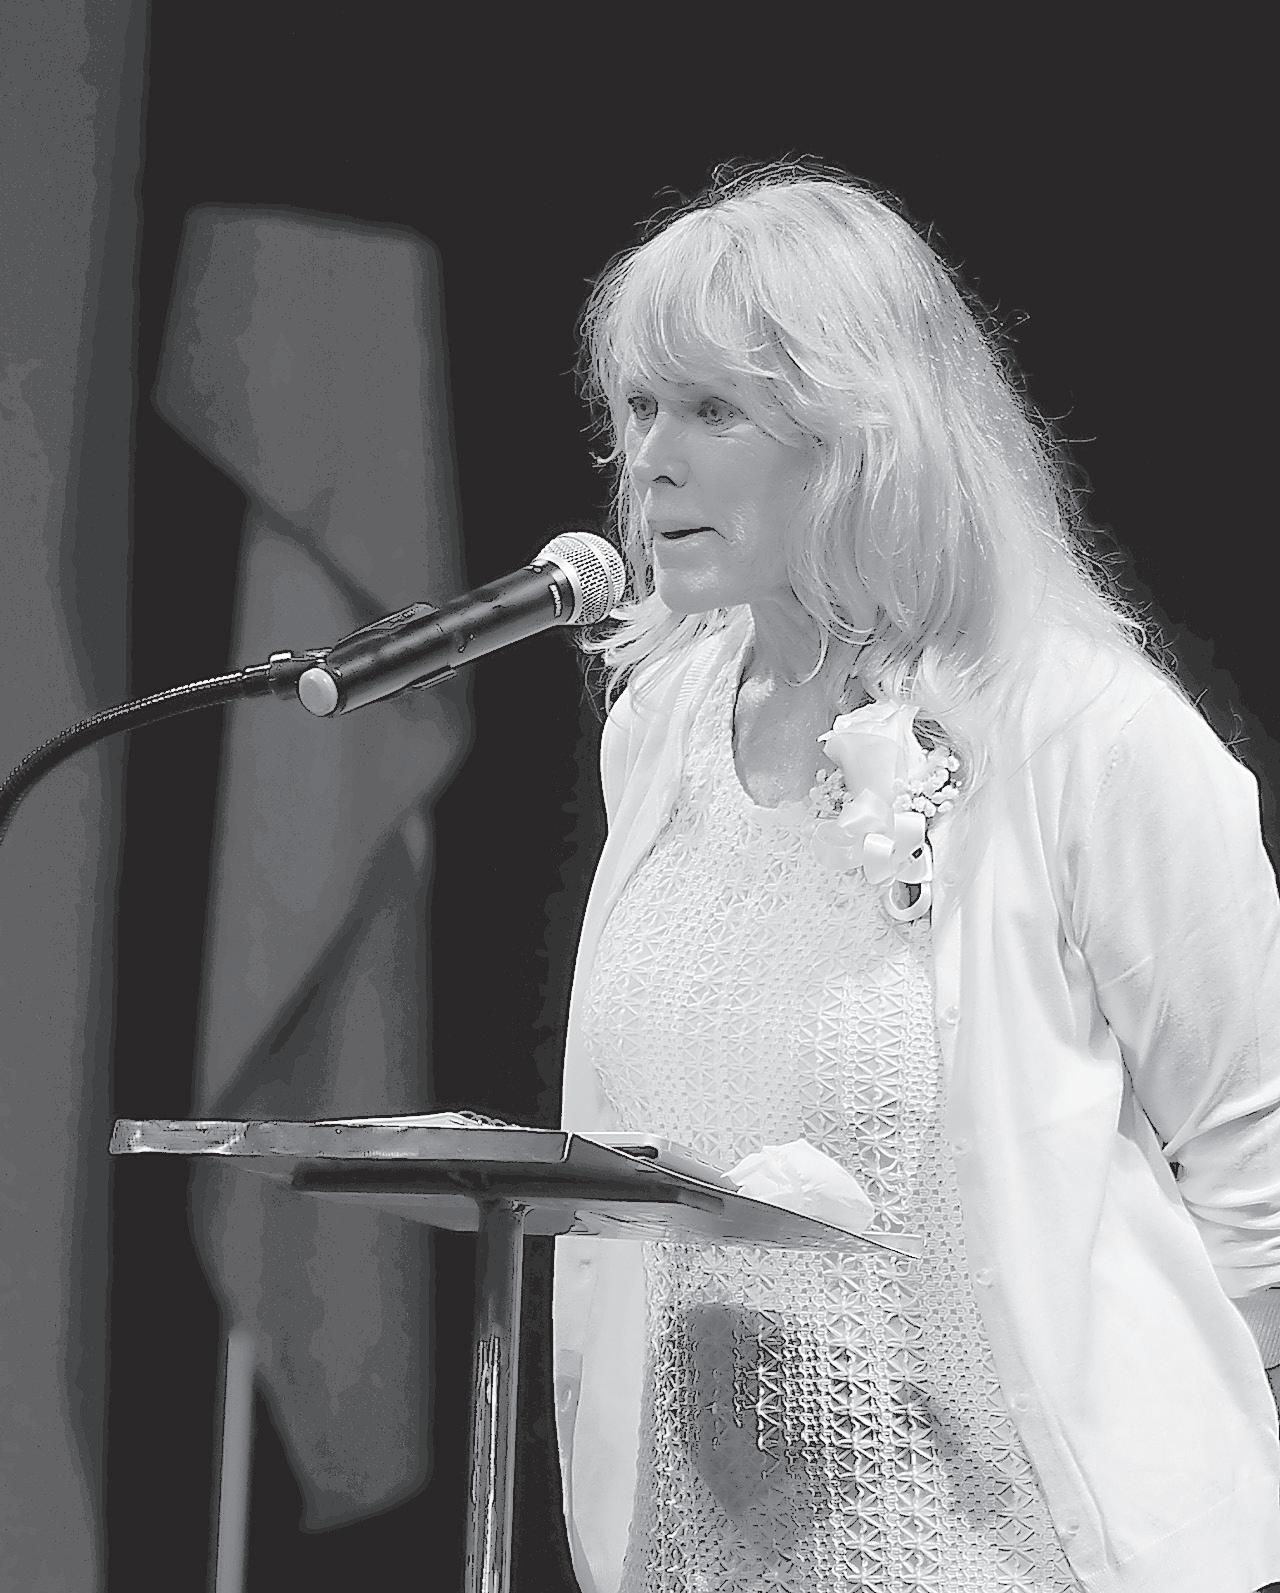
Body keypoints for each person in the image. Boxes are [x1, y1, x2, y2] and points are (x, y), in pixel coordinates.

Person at [551, 160, 1280, 1593]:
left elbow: (1260, 1161)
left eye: (712, 409)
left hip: (1025, 1551)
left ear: (858, 434)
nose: (652, 461)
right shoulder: (661, 725)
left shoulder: (1081, 727)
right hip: (712, 1550)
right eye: (638, 409)